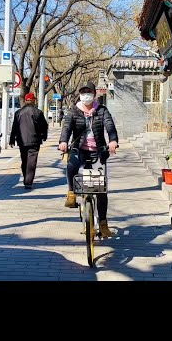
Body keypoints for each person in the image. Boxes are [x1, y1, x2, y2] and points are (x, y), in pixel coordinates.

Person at [59, 81, 119, 238]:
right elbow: (66, 127)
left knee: (100, 190)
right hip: (79, 150)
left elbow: (110, 126)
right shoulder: (73, 111)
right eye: (83, 92)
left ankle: (103, 223)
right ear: (80, 94)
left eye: (89, 92)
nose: (86, 95)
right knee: (71, 165)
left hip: (98, 152)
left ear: (94, 94)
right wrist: (63, 141)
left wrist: (113, 140)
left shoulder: (102, 111)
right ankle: (71, 193)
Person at [9, 92, 48, 189]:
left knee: (24, 160)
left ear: (26, 101)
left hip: (21, 140)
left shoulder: (18, 113)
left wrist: (12, 139)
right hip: (34, 140)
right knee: (32, 161)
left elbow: (14, 127)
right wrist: (44, 136)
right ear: (33, 100)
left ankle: (26, 178)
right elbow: (44, 126)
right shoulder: (38, 112)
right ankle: (28, 181)